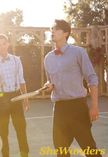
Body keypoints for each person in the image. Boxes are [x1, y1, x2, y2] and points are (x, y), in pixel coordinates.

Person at [44, 19, 102, 157]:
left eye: (56, 29)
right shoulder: (48, 58)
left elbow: (92, 78)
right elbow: (51, 81)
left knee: (90, 150)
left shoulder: (78, 52)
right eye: (51, 28)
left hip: (78, 107)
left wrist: (94, 106)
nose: (52, 31)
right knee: (61, 150)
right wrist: (48, 86)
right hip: (59, 109)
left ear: (66, 33)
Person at [0, 34, 29, 157]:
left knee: (21, 129)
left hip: (16, 97)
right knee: (3, 132)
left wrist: (25, 99)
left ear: (8, 44)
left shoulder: (16, 60)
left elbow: (22, 81)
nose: (1, 46)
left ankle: (24, 154)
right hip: (1, 99)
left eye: (3, 43)